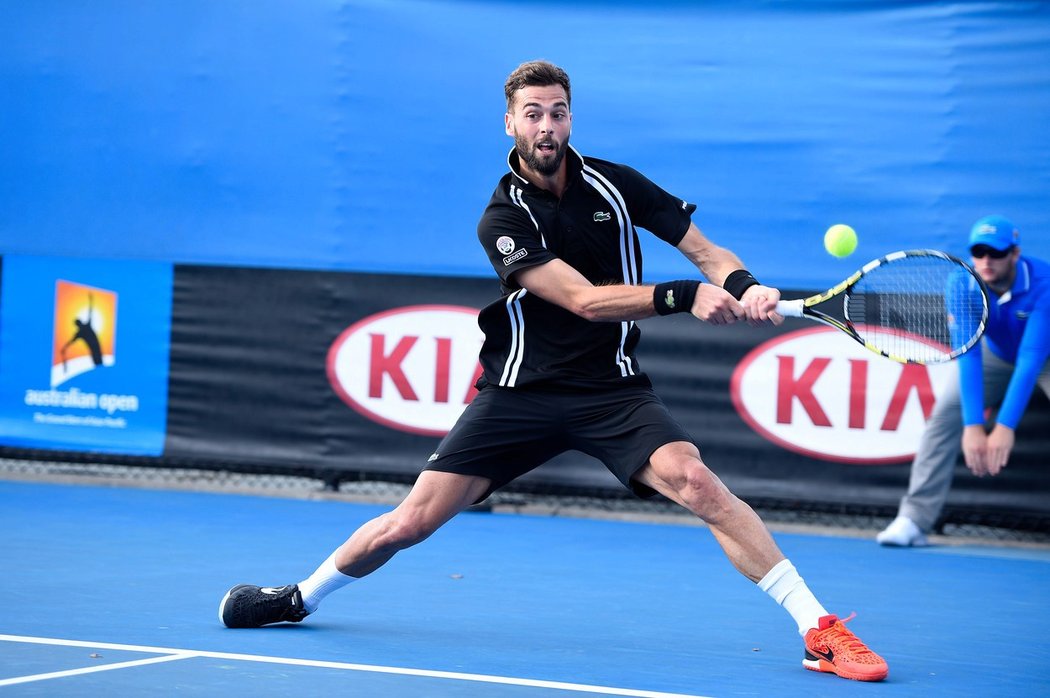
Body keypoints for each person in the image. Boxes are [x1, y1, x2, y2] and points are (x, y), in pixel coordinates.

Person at [220, 60, 888, 682]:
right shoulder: (502, 216)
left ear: (572, 119)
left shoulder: (617, 184)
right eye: (533, 113)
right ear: (510, 123)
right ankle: (299, 598)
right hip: (521, 391)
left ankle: (817, 629)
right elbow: (583, 299)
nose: (548, 126)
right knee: (409, 524)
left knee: (698, 483)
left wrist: (745, 282)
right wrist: (683, 297)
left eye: (559, 112)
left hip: (609, 390)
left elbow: (703, 250)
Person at [878, 215, 1050, 546]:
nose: (986, 260)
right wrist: (973, 425)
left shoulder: (1043, 283)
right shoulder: (962, 282)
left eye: (996, 253)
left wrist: (1004, 426)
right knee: (945, 417)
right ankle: (913, 519)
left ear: (1015, 254)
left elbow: (1030, 361)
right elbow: (969, 354)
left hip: (1044, 355)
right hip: (995, 356)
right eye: (979, 252)